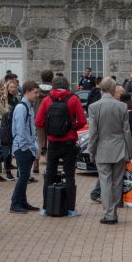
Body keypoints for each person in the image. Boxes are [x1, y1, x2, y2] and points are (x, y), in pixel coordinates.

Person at [36, 75, 87, 217]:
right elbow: (82, 120)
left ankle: (46, 208)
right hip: (69, 142)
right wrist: (71, 127)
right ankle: (70, 209)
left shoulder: (47, 99)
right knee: (70, 175)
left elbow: (39, 121)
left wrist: (50, 128)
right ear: (67, 84)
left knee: (49, 174)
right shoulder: (73, 99)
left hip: (52, 142)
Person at [88, 78, 132, 225]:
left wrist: (91, 150)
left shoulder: (94, 107)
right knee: (117, 183)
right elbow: (127, 131)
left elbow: (93, 132)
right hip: (119, 148)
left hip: (102, 149)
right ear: (114, 90)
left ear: (101, 88)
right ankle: (113, 213)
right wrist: (130, 152)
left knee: (105, 182)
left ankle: (109, 215)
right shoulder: (122, 106)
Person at [9, 81, 40, 214]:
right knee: (24, 176)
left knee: (25, 175)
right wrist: (25, 148)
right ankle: (15, 203)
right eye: (36, 92)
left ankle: (22, 202)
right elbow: (20, 131)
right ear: (27, 92)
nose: (38, 95)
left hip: (27, 146)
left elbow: (30, 129)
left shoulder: (29, 106)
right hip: (23, 147)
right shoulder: (22, 107)